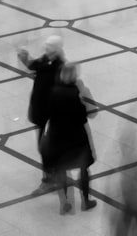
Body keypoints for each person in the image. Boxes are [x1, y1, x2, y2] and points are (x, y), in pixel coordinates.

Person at [40, 62, 98, 215]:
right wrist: (84, 91)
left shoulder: (53, 92)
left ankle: (65, 202)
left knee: (61, 169)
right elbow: (92, 113)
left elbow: (47, 114)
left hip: (58, 137)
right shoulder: (78, 92)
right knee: (84, 168)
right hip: (77, 136)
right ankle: (85, 201)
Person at [17, 35, 66, 191]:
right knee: (43, 145)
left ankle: (50, 178)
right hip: (40, 110)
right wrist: (24, 58)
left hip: (51, 112)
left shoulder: (59, 66)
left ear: (57, 49)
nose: (46, 47)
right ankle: (53, 174)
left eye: (50, 45)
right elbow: (34, 66)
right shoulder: (46, 59)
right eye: (46, 44)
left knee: (47, 146)